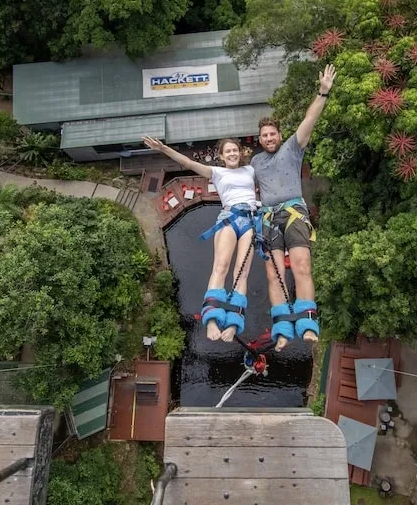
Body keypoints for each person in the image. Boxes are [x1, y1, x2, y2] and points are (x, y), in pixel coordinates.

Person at [253, 64, 337, 352]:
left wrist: (323, 92)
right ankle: (283, 327)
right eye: (264, 135)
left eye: (272, 134)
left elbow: (309, 119)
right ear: (259, 139)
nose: (269, 138)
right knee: (273, 274)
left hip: (292, 212)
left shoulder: (292, 147)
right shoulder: (255, 163)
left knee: (301, 265)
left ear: (279, 134)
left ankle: (307, 322)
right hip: (267, 217)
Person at [143, 136, 256, 342]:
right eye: (228, 151)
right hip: (229, 218)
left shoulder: (250, 170)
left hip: (250, 220)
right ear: (221, 156)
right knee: (221, 267)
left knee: (243, 272)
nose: (232, 154)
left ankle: (233, 322)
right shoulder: (217, 172)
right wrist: (163, 148)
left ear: (240, 153)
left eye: (235, 150)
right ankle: (212, 319)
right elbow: (187, 163)